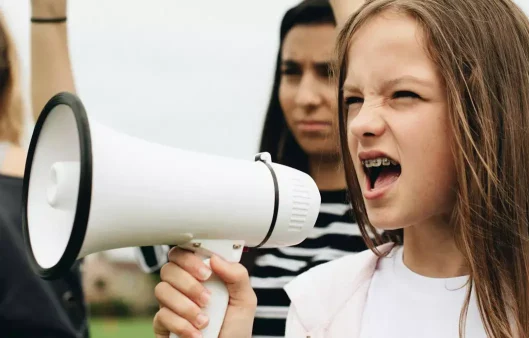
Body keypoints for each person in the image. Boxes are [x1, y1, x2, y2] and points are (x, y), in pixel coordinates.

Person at [152, 0, 529, 337]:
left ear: (489, 113)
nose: (360, 123)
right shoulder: (322, 302)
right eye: (353, 100)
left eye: (403, 95)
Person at [136, 1, 368, 336]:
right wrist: (50, 17)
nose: (305, 96)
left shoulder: (403, 224)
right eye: (290, 72)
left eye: (330, 72)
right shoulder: (238, 200)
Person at [0, 0, 89, 336]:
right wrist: (48, 13)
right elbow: (65, 156)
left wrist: (48, 13)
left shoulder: (38, 178)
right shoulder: (37, 182)